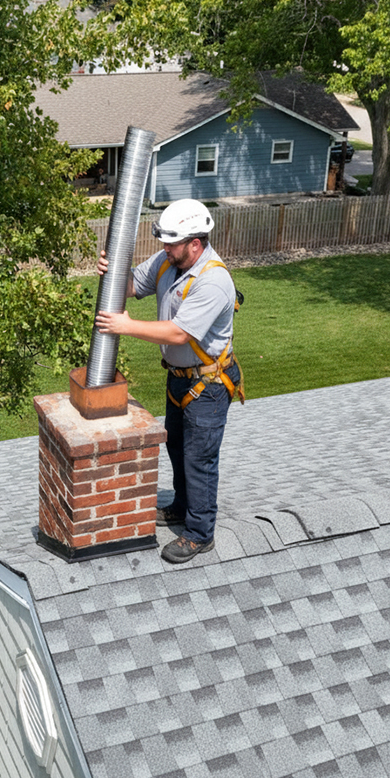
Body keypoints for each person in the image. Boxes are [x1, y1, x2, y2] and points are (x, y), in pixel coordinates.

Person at [95, 199, 243, 564]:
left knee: (199, 458)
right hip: (180, 379)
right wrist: (111, 273)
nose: (164, 249)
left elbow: (179, 333)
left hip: (207, 385)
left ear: (195, 243)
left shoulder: (214, 280)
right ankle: (181, 506)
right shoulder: (169, 262)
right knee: (176, 448)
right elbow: (131, 284)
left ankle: (199, 533)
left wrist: (126, 326)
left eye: (172, 243)